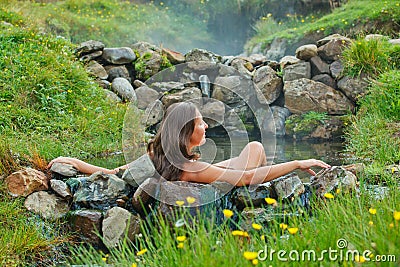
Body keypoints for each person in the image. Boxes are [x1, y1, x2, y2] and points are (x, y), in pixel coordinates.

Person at [48, 102, 331, 186]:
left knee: (255, 148)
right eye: (200, 122)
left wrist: (74, 162)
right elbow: (244, 177)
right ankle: (265, 188)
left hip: (201, 173)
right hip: (207, 183)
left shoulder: (158, 153)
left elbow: (112, 172)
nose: (206, 125)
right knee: (251, 168)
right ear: (186, 132)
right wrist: (296, 163)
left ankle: (265, 181)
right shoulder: (185, 167)